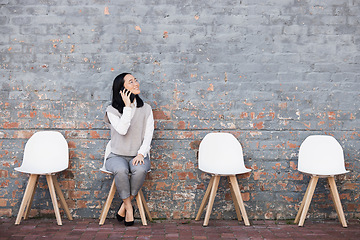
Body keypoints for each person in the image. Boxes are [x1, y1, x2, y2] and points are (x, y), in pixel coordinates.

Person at [104, 72, 154, 226]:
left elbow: (148, 134)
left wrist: (141, 153)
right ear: (121, 89)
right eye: (130, 82)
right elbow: (122, 130)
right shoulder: (112, 110)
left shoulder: (146, 109)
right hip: (116, 155)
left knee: (139, 170)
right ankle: (129, 209)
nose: (136, 84)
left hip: (138, 155)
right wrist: (127, 107)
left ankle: (124, 205)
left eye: (135, 80)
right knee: (121, 170)